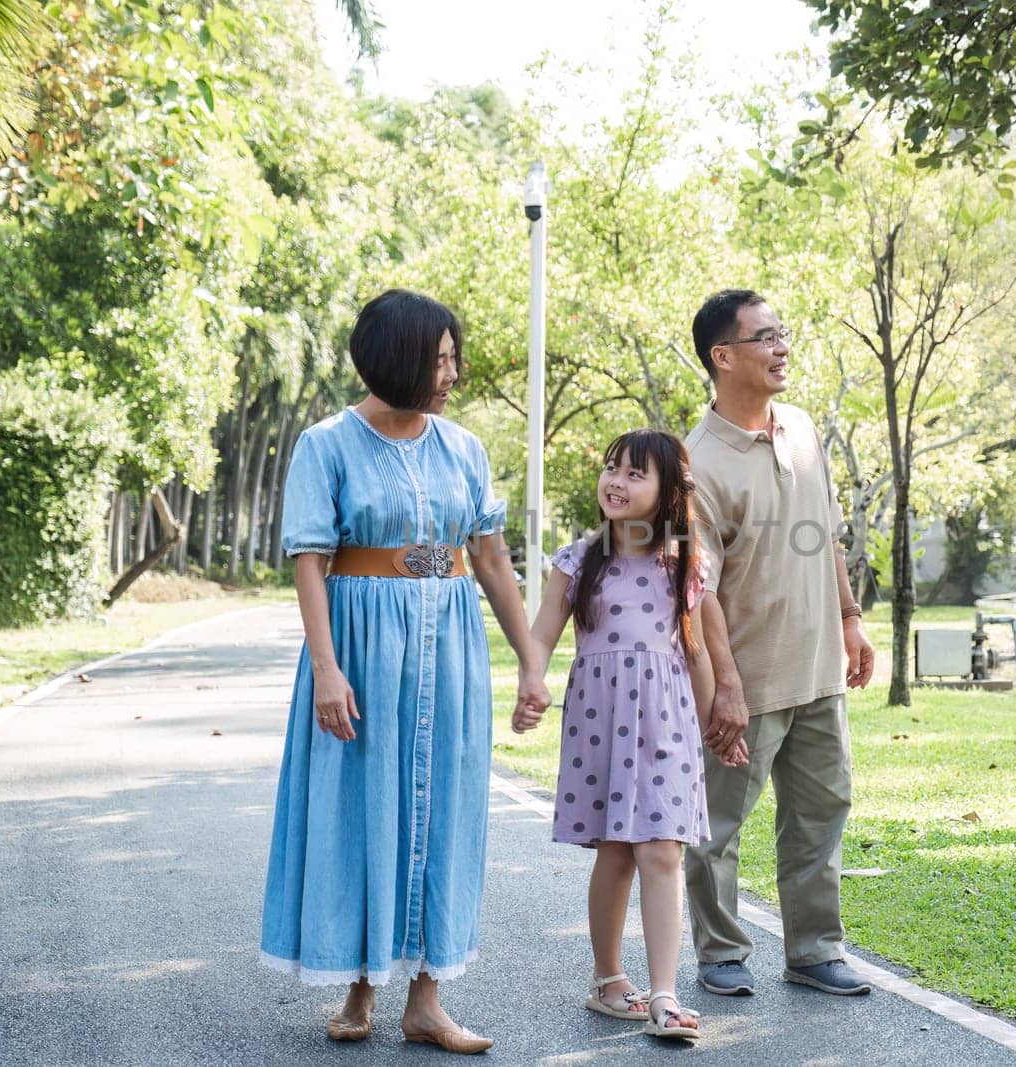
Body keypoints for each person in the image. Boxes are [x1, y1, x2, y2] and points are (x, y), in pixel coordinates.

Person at [260, 289, 549, 1054]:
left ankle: (427, 998)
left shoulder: (464, 448)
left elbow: (489, 556)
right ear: (397, 358)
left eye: (455, 357)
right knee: (367, 803)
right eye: (439, 359)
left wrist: (529, 658)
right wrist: (326, 667)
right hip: (361, 644)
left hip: (448, 643)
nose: (452, 373)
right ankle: (361, 983)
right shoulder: (327, 444)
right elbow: (310, 560)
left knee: (444, 806)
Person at [513, 429, 745, 1042]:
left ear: (669, 492)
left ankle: (664, 995)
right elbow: (540, 634)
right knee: (615, 851)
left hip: (667, 724)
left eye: (635, 473)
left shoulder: (681, 567)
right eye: (612, 467)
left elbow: (696, 657)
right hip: (599, 721)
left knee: (662, 848)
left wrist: (708, 730)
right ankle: (608, 978)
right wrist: (531, 679)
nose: (616, 480)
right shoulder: (577, 561)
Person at [682, 289, 877, 998]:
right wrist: (725, 682)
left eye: (783, 334)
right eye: (764, 337)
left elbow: (823, 533)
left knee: (823, 812)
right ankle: (722, 950)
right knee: (717, 825)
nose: (781, 347)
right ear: (723, 356)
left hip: (820, 667)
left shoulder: (799, 428)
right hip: (749, 679)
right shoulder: (695, 463)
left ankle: (814, 947)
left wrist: (850, 617)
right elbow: (696, 588)